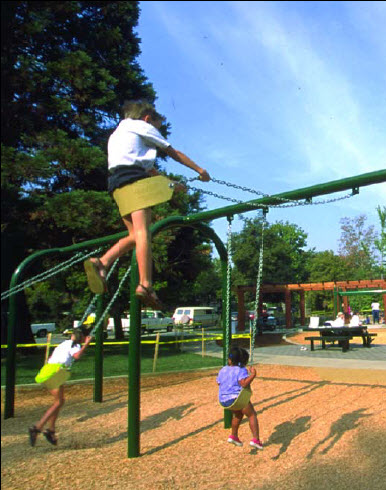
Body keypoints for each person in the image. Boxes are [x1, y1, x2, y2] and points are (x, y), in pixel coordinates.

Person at [83, 100, 211, 309]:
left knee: (134, 235)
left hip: (116, 183)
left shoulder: (118, 134)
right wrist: (200, 170)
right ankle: (145, 284)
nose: (156, 131)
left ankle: (102, 262)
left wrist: (171, 185)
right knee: (144, 233)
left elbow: (150, 170)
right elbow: (172, 151)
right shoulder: (141, 126)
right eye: (156, 126)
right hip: (134, 180)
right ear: (147, 118)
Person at [29, 327, 92, 447]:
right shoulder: (75, 345)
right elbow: (77, 356)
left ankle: (51, 430)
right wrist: (87, 344)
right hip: (55, 371)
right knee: (58, 402)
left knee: (60, 401)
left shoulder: (65, 343)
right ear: (82, 337)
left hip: (50, 369)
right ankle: (37, 427)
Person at [217, 346, 263, 450]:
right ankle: (256, 440)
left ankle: (234, 436)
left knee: (238, 415)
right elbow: (243, 383)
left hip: (224, 401)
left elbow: (219, 382)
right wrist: (253, 375)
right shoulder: (241, 370)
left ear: (229, 359)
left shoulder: (223, 369)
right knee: (252, 415)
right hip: (236, 399)